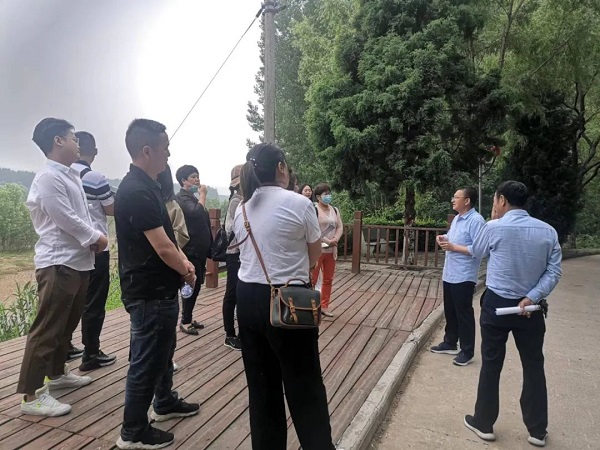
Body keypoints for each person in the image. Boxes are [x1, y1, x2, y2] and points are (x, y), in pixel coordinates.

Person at [232, 143, 335, 450]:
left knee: (261, 387)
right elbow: (314, 255)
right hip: (289, 298)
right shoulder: (299, 204)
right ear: (280, 167)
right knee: (304, 385)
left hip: (246, 298)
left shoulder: (242, 207)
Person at [115, 119, 199, 450]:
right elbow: (162, 247)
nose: (169, 154)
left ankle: (164, 401)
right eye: (165, 148)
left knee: (163, 351)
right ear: (147, 150)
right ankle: (133, 431)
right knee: (147, 360)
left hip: (160, 289)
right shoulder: (136, 191)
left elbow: (168, 239)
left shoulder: (147, 186)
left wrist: (184, 263)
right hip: (148, 292)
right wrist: (187, 271)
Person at [18, 118, 108, 417]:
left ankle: (56, 374)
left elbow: (78, 215)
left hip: (77, 261)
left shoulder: (68, 175)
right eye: (73, 138)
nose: (77, 143)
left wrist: (92, 240)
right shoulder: (48, 177)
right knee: (47, 328)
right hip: (58, 262)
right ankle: (31, 395)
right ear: (58, 141)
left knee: (66, 324)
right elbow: (65, 217)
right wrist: (95, 237)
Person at [463, 181, 562, 448]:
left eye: (496, 200)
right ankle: (537, 430)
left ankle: (484, 423)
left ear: (502, 200)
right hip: (530, 308)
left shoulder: (493, 227)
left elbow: (477, 252)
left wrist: (492, 220)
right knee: (533, 365)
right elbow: (554, 271)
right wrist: (533, 296)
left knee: (491, 362)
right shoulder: (548, 231)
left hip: (496, 304)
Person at [70, 131, 117, 371]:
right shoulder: (95, 178)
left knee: (70, 301)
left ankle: (65, 347)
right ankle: (91, 352)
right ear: (95, 151)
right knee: (94, 302)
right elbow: (112, 209)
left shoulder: (63, 176)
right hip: (96, 247)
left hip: (69, 250)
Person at [430, 187, 485, 366]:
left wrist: (454, 247)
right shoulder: (457, 219)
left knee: (464, 313)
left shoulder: (476, 221)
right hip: (450, 273)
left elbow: (479, 250)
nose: (453, 200)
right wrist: (443, 238)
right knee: (450, 310)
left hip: (464, 275)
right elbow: (454, 238)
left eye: (456, 197)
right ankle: (450, 342)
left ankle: (467, 351)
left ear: (467, 201)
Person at [175, 164, 213, 335]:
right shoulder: (182, 197)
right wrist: (203, 195)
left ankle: (188, 317)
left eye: (197, 176)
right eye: (193, 177)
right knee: (190, 284)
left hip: (199, 249)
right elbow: (196, 213)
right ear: (184, 181)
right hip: (190, 250)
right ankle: (185, 321)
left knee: (196, 285)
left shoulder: (190, 197)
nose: (197, 179)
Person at [312, 183, 343, 318]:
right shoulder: (314, 209)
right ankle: (312, 305)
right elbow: (314, 229)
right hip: (318, 249)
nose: (328, 196)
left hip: (331, 250)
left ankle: (324, 306)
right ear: (318, 197)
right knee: (313, 279)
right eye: (325, 194)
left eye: (329, 193)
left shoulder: (334, 210)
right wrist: (327, 241)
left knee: (328, 279)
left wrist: (335, 239)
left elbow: (339, 226)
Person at [221, 164, 244, 351]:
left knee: (239, 293)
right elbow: (238, 229)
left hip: (241, 254)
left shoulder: (242, 199)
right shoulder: (236, 201)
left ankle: (241, 333)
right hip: (235, 254)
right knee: (232, 294)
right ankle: (229, 334)